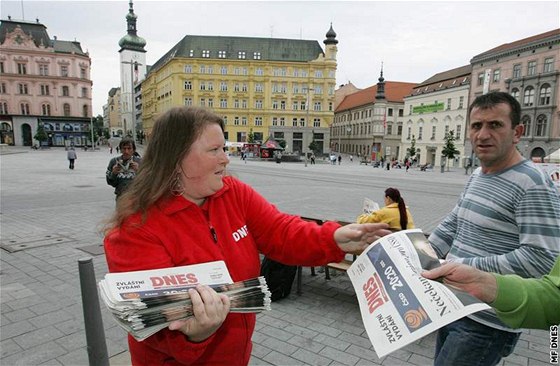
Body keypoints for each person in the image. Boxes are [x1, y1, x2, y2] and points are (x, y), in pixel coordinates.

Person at [103, 106, 391, 366]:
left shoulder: (232, 193)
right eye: (214, 150)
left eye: (224, 148)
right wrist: (195, 334)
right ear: (177, 158)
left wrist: (334, 238)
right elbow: (153, 323)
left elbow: (280, 230)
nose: (226, 159)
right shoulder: (134, 228)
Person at [428, 92, 560, 366]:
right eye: (476, 126)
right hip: (453, 304)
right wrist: (420, 252)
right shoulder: (479, 173)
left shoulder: (533, 183)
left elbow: (541, 260)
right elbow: (455, 221)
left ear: (517, 132)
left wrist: (463, 266)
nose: (483, 134)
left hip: (487, 322)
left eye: (495, 125)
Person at [422, 258, 560, 330]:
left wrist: (457, 263)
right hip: (455, 304)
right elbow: (554, 298)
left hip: (487, 320)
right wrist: (485, 284)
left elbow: (540, 257)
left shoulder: (537, 202)